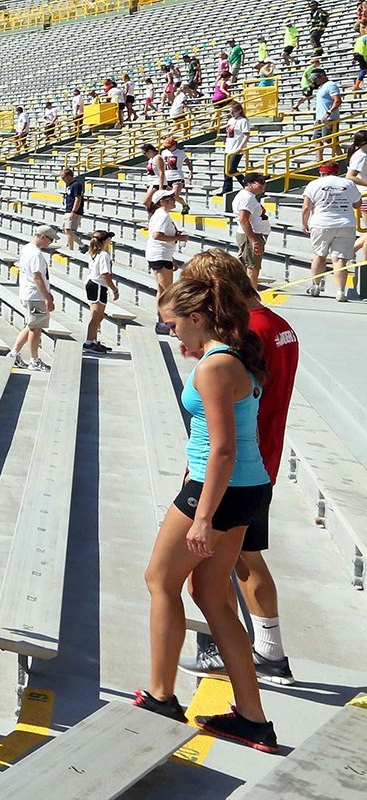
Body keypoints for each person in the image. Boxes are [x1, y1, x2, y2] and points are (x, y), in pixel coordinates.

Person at [135, 276, 277, 754]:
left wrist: (201, 517)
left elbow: (221, 450)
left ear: (197, 318)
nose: (172, 334)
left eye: (174, 325)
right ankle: (253, 720)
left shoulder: (215, 366)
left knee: (160, 580)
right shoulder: (233, 356)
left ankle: (161, 697)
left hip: (219, 488)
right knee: (212, 596)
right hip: (247, 488)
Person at [176, 251, 299, 687]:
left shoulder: (249, 333)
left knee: (216, 560)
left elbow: (232, 410)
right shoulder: (281, 326)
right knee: (246, 559)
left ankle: (223, 646)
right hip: (263, 459)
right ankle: (270, 649)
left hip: (240, 467)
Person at [300, 160, 361, 300]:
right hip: (345, 223)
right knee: (340, 259)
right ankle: (340, 292)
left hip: (321, 223)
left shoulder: (314, 184)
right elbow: (357, 204)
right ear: (337, 172)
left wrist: (304, 223)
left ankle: (315, 286)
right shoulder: (348, 183)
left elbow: (306, 207)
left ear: (321, 172)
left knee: (319, 255)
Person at [11, 226, 59, 372]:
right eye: (50, 239)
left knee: (31, 324)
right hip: (35, 295)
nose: (50, 243)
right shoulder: (36, 254)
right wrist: (47, 297)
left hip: (29, 293)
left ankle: (14, 354)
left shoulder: (27, 248)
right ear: (43, 237)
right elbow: (37, 277)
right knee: (35, 328)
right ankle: (34, 360)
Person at [83, 231, 121, 354]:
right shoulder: (104, 254)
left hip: (92, 283)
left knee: (95, 315)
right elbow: (105, 274)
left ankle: (92, 340)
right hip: (98, 285)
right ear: (105, 241)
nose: (110, 241)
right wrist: (114, 289)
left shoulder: (95, 252)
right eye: (109, 239)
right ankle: (89, 342)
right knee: (97, 316)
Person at [146, 189, 188, 300]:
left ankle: (161, 317)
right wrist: (179, 238)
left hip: (160, 254)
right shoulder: (163, 216)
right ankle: (164, 316)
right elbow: (157, 235)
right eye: (171, 198)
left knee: (162, 291)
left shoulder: (159, 214)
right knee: (166, 292)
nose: (174, 200)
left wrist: (171, 258)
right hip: (160, 255)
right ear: (162, 201)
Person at [233, 173, 272, 287]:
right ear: (249, 184)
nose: (263, 185)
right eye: (260, 182)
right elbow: (244, 219)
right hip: (252, 235)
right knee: (252, 269)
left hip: (251, 235)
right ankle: (251, 297)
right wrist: (254, 240)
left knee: (248, 267)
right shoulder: (247, 197)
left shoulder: (248, 196)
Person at [312, 69, 343, 161]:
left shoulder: (331, 85)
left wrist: (328, 113)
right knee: (317, 140)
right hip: (319, 118)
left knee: (330, 141)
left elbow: (337, 101)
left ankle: (341, 158)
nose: (315, 80)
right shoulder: (321, 87)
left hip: (329, 118)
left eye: (316, 78)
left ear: (322, 75)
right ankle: (319, 161)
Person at [221, 102, 250, 196]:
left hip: (237, 148)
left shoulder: (243, 121)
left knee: (231, 169)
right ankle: (226, 189)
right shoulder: (230, 120)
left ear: (239, 111)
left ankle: (246, 184)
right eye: (231, 112)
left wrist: (241, 147)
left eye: (234, 112)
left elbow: (246, 135)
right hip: (229, 147)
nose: (232, 114)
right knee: (226, 170)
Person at [59, 168, 85, 249]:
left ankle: (82, 245)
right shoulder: (70, 185)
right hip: (68, 209)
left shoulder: (76, 185)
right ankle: (70, 249)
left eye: (63, 177)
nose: (63, 180)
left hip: (74, 211)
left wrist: (74, 211)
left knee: (68, 230)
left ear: (69, 176)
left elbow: (78, 199)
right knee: (66, 230)